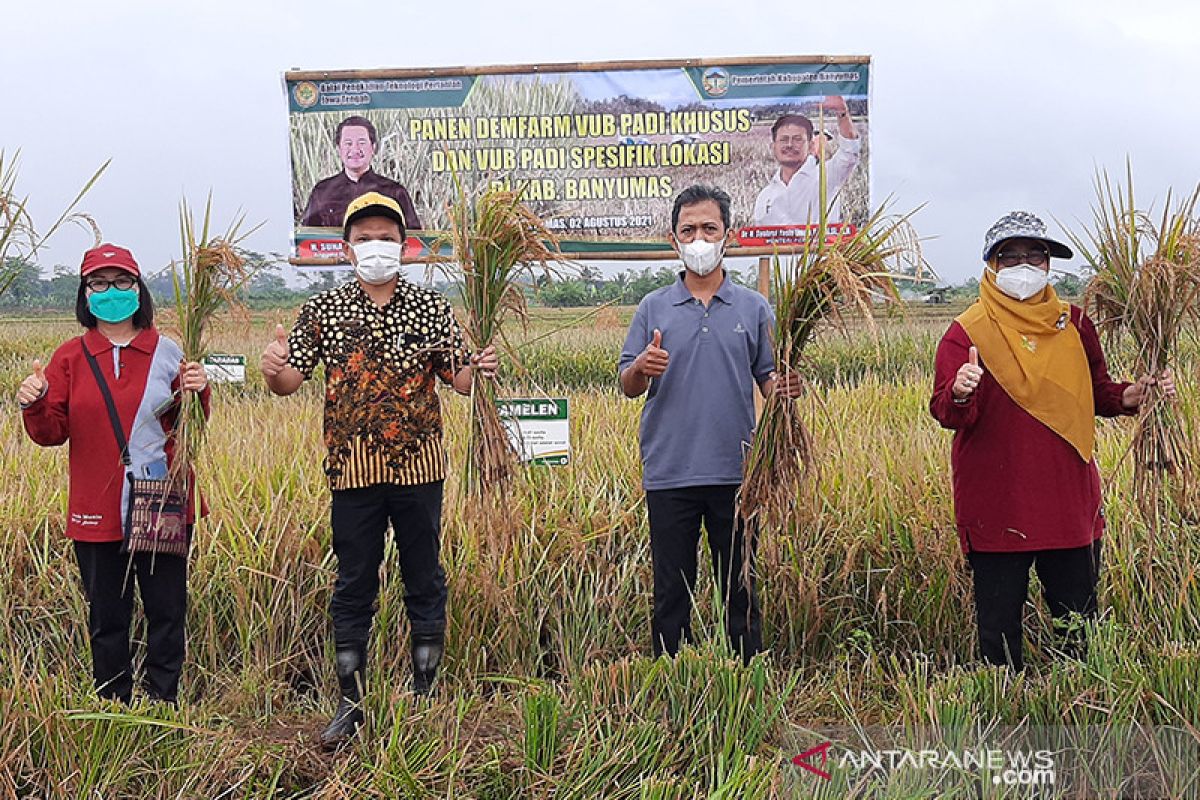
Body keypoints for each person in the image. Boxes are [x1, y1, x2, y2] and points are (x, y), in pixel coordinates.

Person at [261, 191, 497, 749]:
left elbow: (458, 380)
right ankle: (351, 703)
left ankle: (424, 693)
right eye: (364, 239)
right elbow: (288, 380)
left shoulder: (432, 308)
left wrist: (478, 365)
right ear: (347, 249)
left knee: (425, 580)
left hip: (420, 466)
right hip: (353, 470)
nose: (376, 247)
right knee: (353, 585)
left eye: (386, 238)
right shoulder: (323, 310)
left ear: (405, 246)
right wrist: (272, 369)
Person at [929, 211, 1176, 671]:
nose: (1023, 265)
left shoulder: (1075, 324)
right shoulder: (968, 332)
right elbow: (946, 411)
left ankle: (1076, 699)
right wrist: (961, 390)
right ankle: (1002, 709)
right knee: (999, 629)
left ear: (1048, 264)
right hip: (998, 501)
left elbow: (1098, 392)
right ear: (991, 264)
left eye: (1034, 255)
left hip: (1067, 495)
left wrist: (1135, 395)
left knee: (1077, 620)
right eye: (1010, 256)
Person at [18, 243, 210, 704]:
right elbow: (51, 434)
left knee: (166, 609)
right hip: (95, 503)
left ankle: (164, 699)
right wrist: (34, 402)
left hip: (160, 494)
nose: (111, 292)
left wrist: (198, 393)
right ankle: (113, 701)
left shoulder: (167, 351)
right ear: (85, 294)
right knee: (107, 613)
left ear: (138, 289)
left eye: (122, 282)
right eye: (98, 284)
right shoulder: (69, 357)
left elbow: (188, 429)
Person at [619, 185, 801, 664]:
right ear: (673, 239)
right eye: (688, 230)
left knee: (739, 589)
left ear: (729, 236)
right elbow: (627, 384)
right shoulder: (653, 307)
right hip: (670, 471)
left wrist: (782, 389)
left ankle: (746, 679)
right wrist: (642, 366)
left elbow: (767, 377)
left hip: (738, 473)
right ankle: (668, 676)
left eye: (709, 229)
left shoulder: (753, 308)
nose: (699, 239)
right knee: (671, 591)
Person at [752, 95, 862, 227]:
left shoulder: (825, 176)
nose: (789, 145)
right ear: (773, 147)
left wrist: (842, 113)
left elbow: (849, 151)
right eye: (783, 139)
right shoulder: (765, 196)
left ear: (810, 145)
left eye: (797, 139)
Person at [299, 115, 422, 231]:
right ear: (338, 148)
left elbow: (415, 240)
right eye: (348, 143)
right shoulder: (322, 191)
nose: (355, 149)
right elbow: (307, 239)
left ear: (373, 148)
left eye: (362, 143)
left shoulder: (394, 191)